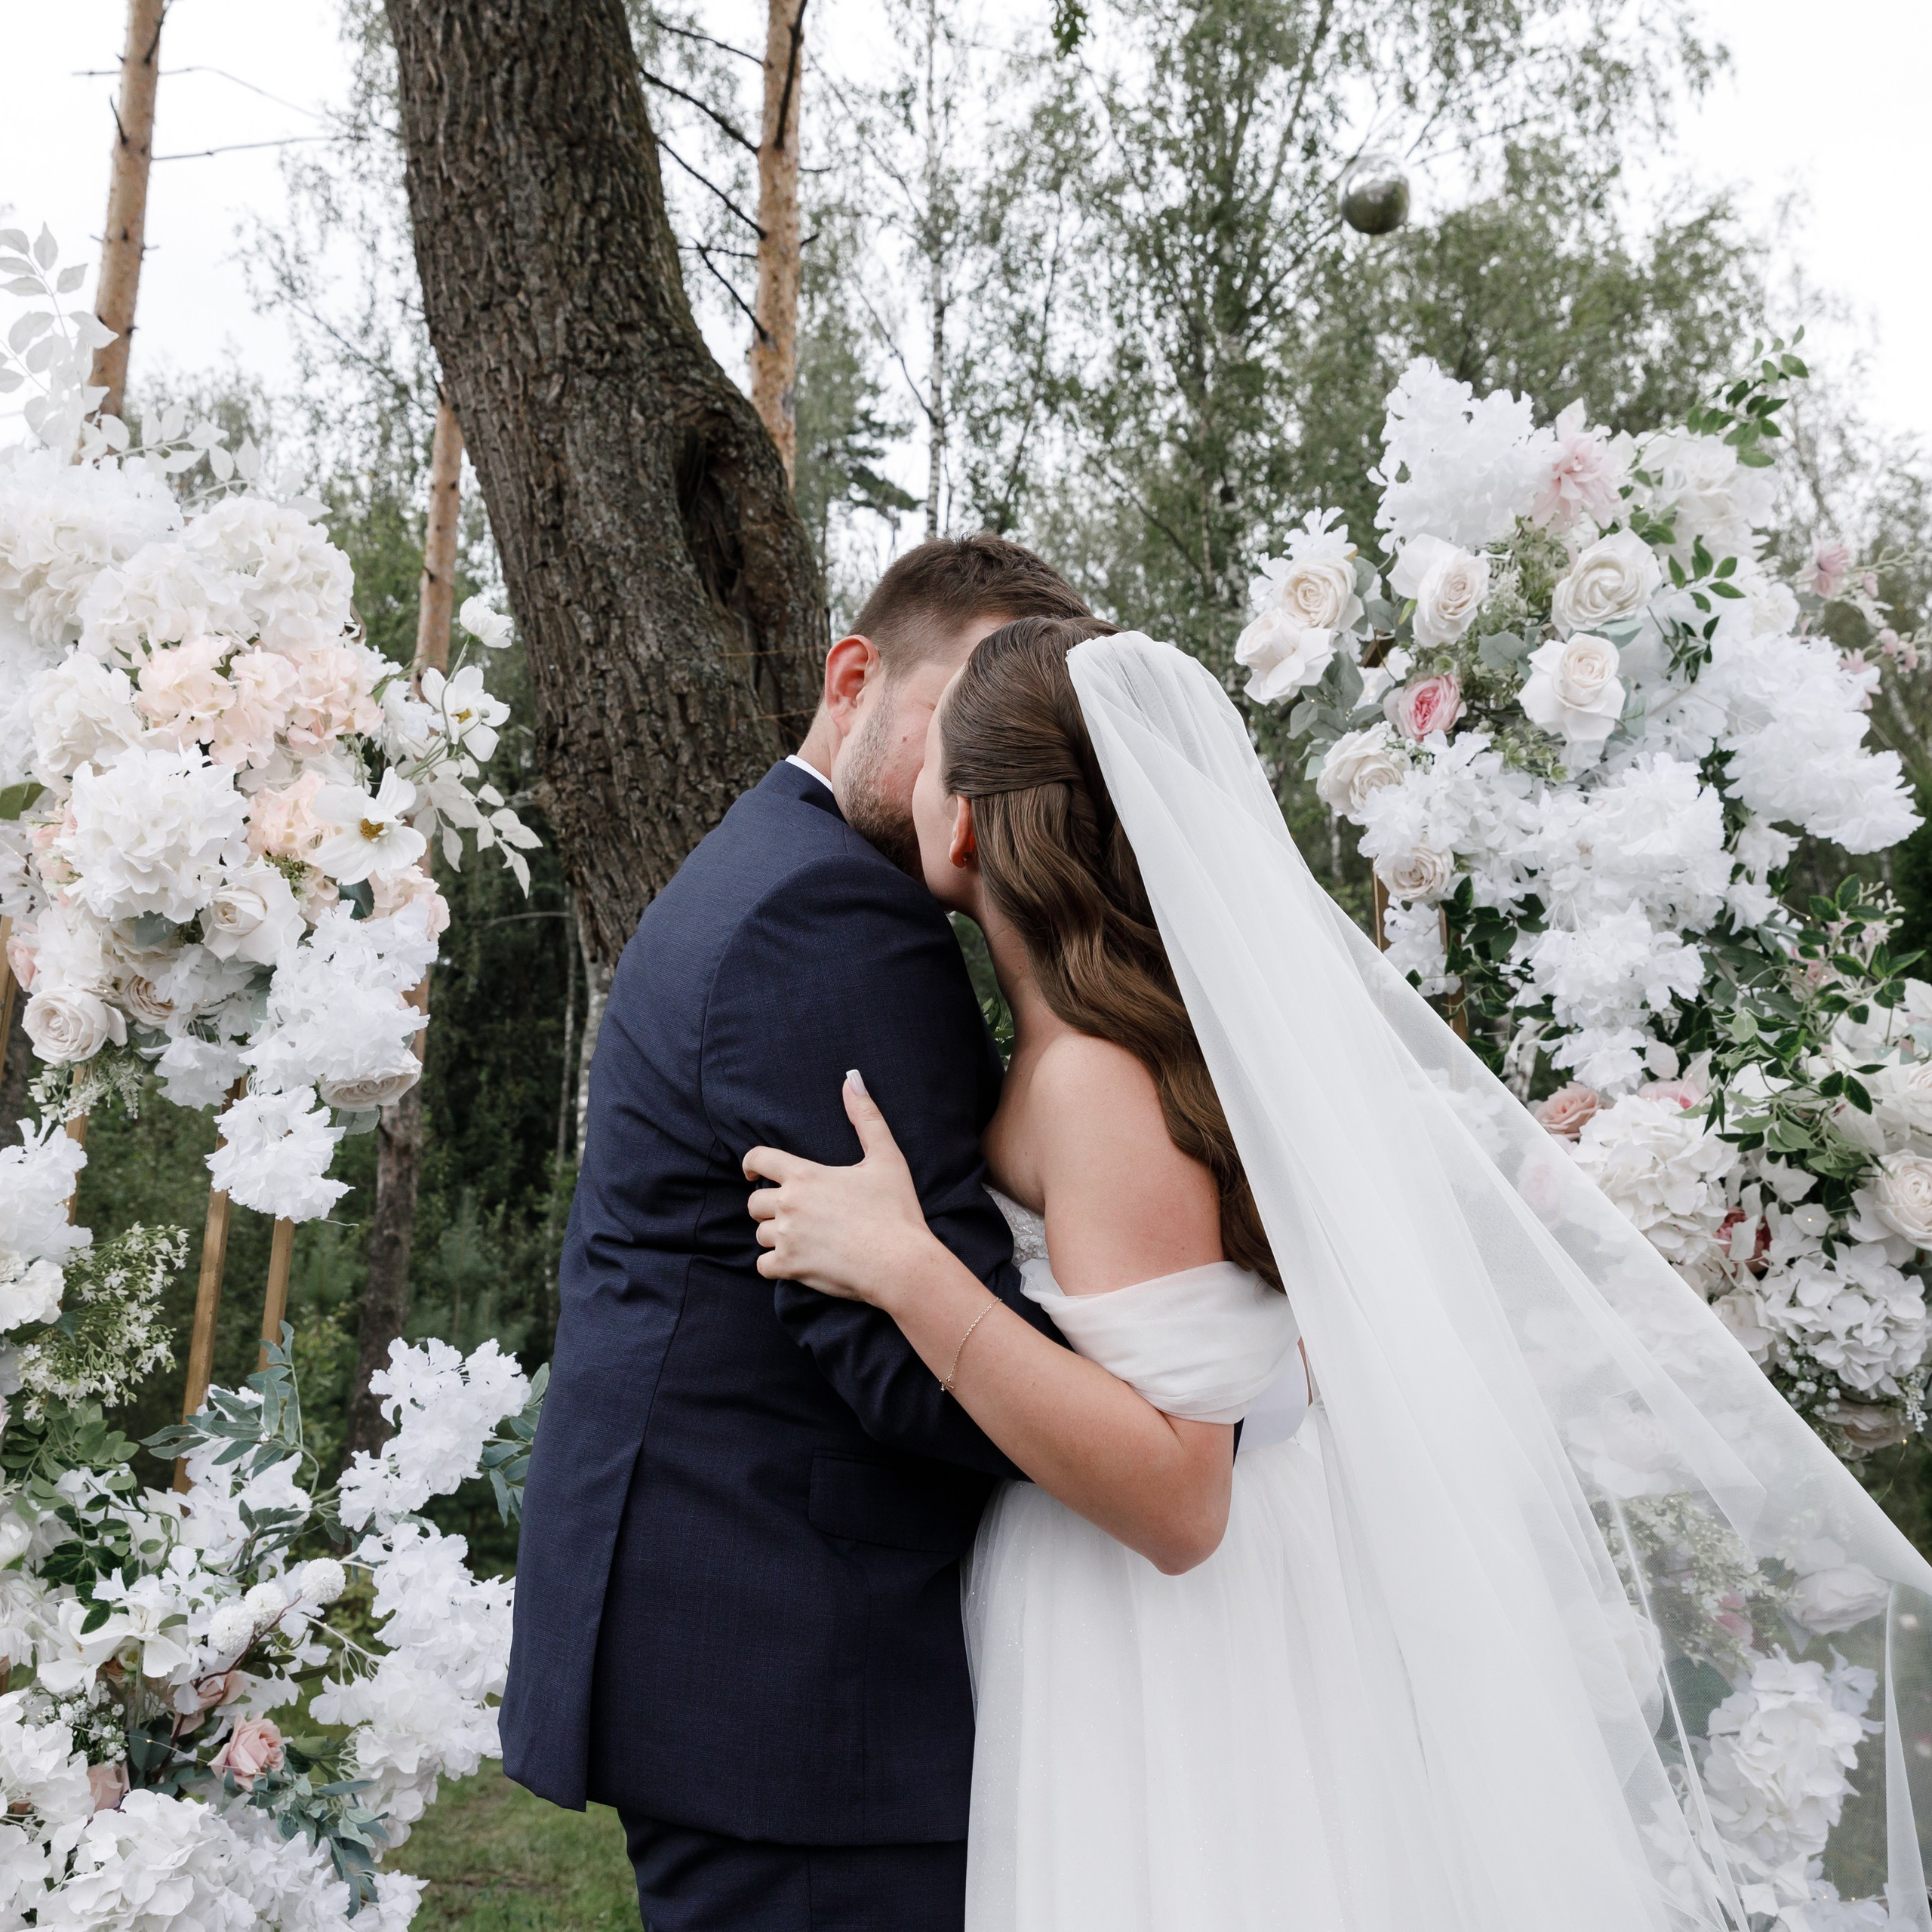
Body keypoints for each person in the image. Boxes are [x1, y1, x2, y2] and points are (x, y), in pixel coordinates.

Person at [746, 623, 1932, 1930]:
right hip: (1187, 1596)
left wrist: (913, 1273)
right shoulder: (1140, 1043)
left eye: (931, 766)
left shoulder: (1095, 1079)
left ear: (966, 825)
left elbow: (1182, 1494)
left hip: (1161, 1639)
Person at [500, 537, 1094, 1932]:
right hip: (798, 1684)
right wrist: (1177, 1397)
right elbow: (899, 1359)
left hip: (743, 1655)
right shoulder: (826, 915)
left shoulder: (776, 871)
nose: (998, 782)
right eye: (976, 716)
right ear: (854, 676)